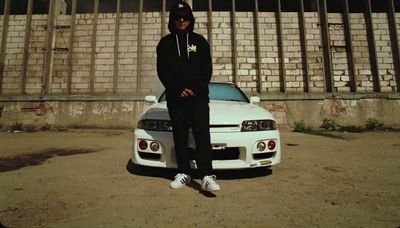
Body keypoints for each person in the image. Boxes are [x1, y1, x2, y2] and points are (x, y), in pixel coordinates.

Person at [156, 1, 220, 192]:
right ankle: (184, 172)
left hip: (199, 98)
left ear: (190, 20)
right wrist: (177, 89)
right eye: (178, 18)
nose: (182, 21)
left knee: (202, 134)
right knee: (180, 135)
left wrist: (195, 88)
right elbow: (163, 71)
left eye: (185, 17)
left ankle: (207, 176)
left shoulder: (200, 41)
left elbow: (206, 69)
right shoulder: (165, 44)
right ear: (172, 20)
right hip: (176, 100)